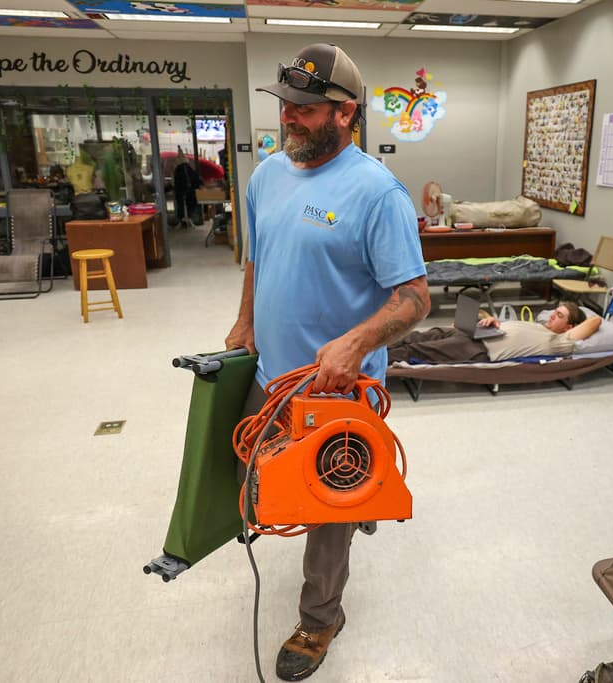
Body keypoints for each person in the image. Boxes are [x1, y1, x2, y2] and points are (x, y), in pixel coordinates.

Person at [225, 43, 430, 681]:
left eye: (307, 109)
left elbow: (416, 298)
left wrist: (357, 343)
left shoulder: (377, 194)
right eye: (287, 105)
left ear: (345, 114)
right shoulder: (267, 176)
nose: (290, 118)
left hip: (337, 392)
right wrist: (246, 318)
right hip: (270, 376)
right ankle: (356, 502)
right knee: (253, 468)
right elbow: (256, 258)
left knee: (324, 507)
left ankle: (320, 618)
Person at [387, 302, 602, 365]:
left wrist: (575, 327)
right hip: (475, 333)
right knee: (416, 335)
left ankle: (368, 363)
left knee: (415, 350)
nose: (552, 316)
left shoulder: (559, 342)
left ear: (569, 328)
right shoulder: (538, 325)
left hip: (478, 349)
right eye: (555, 312)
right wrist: (491, 321)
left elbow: (596, 320)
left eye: (560, 316)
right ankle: (371, 349)